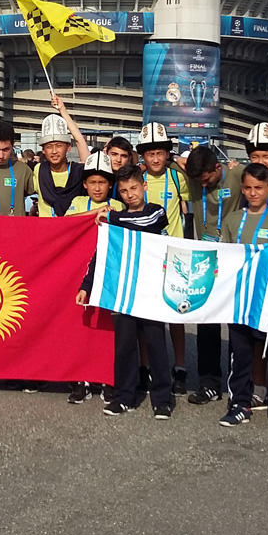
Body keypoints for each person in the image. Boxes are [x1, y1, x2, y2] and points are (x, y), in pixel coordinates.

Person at [78, 164, 174, 419]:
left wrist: (110, 217)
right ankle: (124, 397)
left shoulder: (155, 213)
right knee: (124, 347)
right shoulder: (115, 221)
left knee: (156, 345)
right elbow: (102, 253)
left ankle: (163, 398)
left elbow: (143, 222)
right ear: (118, 194)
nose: (130, 194)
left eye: (134, 188)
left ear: (144, 186)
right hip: (124, 291)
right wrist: (86, 285)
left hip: (152, 290)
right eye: (124, 191)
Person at [218, 163, 268, 436]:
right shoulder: (231, 220)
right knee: (240, 354)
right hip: (239, 299)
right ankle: (239, 403)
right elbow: (223, 258)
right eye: (248, 187)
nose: (252, 193)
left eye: (258, 188)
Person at [183, 144, 245, 405]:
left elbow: (267, 175)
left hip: (233, 258)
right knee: (205, 319)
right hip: (205, 259)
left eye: (206, 179)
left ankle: (239, 384)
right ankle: (208, 382)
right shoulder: (194, 179)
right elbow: (165, 161)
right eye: (198, 182)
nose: (202, 185)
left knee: (237, 324)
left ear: (218, 167)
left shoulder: (238, 174)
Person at [136, 121, 192, 394]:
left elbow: (195, 186)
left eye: (160, 152)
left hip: (175, 254)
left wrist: (181, 164)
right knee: (147, 315)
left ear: (167, 153)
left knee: (176, 314)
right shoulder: (139, 180)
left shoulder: (176, 177)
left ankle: (180, 366)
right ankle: (145, 366)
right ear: (143, 156)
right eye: (150, 153)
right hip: (147, 254)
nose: (155, 158)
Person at [63, 151, 123, 404]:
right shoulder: (77, 202)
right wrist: (94, 213)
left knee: (106, 326)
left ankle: (105, 377)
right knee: (80, 324)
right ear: (84, 184)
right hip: (79, 273)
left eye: (102, 182)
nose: (97, 187)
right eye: (92, 182)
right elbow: (63, 225)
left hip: (109, 271)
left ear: (110, 184)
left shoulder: (118, 206)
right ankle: (80, 378)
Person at [33, 94, 90, 217]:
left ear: (68, 147)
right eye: (49, 147)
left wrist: (62, 109)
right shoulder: (39, 170)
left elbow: (80, 141)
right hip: (46, 232)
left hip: (71, 232)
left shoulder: (78, 171)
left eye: (59, 145)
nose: (54, 151)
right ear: (43, 150)